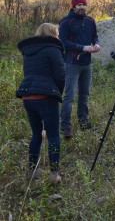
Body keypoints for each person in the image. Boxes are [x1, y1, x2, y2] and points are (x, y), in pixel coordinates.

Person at [16, 23, 66, 185]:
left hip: (27, 96)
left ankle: (32, 170)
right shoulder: (53, 48)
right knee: (52, 136)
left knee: (36, 134)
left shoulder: (28, 51)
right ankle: (54, 174)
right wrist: (57, 91)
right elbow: (60, 75)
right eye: (57, 33)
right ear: (52, 33)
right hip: (45, 97)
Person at [59, 0, 101, 138]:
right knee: (69, 96)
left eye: (84, 4)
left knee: (84, 94)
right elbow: (63, 42)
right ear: (73, 6)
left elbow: (95, 36)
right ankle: (65, 125)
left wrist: (96, 44)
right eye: (79, 5)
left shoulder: (90, 20)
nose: (82, 7)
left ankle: (83, 121)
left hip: (87, 64)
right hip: (72, 63)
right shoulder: (65, 21)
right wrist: (82, 48)